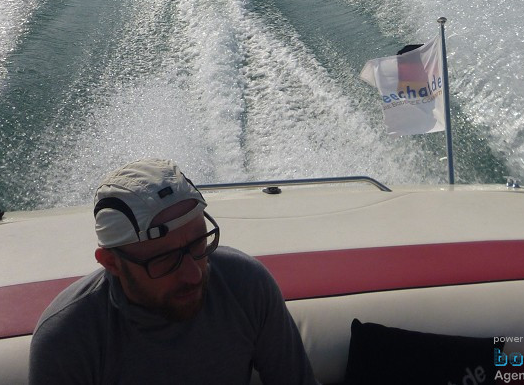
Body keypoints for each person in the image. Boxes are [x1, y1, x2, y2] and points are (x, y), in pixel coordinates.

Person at [29, 159, 319, 384]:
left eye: (197, 245)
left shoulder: (246, 286)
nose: (194, 275)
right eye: (164, 260)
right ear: (111, 263)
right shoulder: (68, 340)